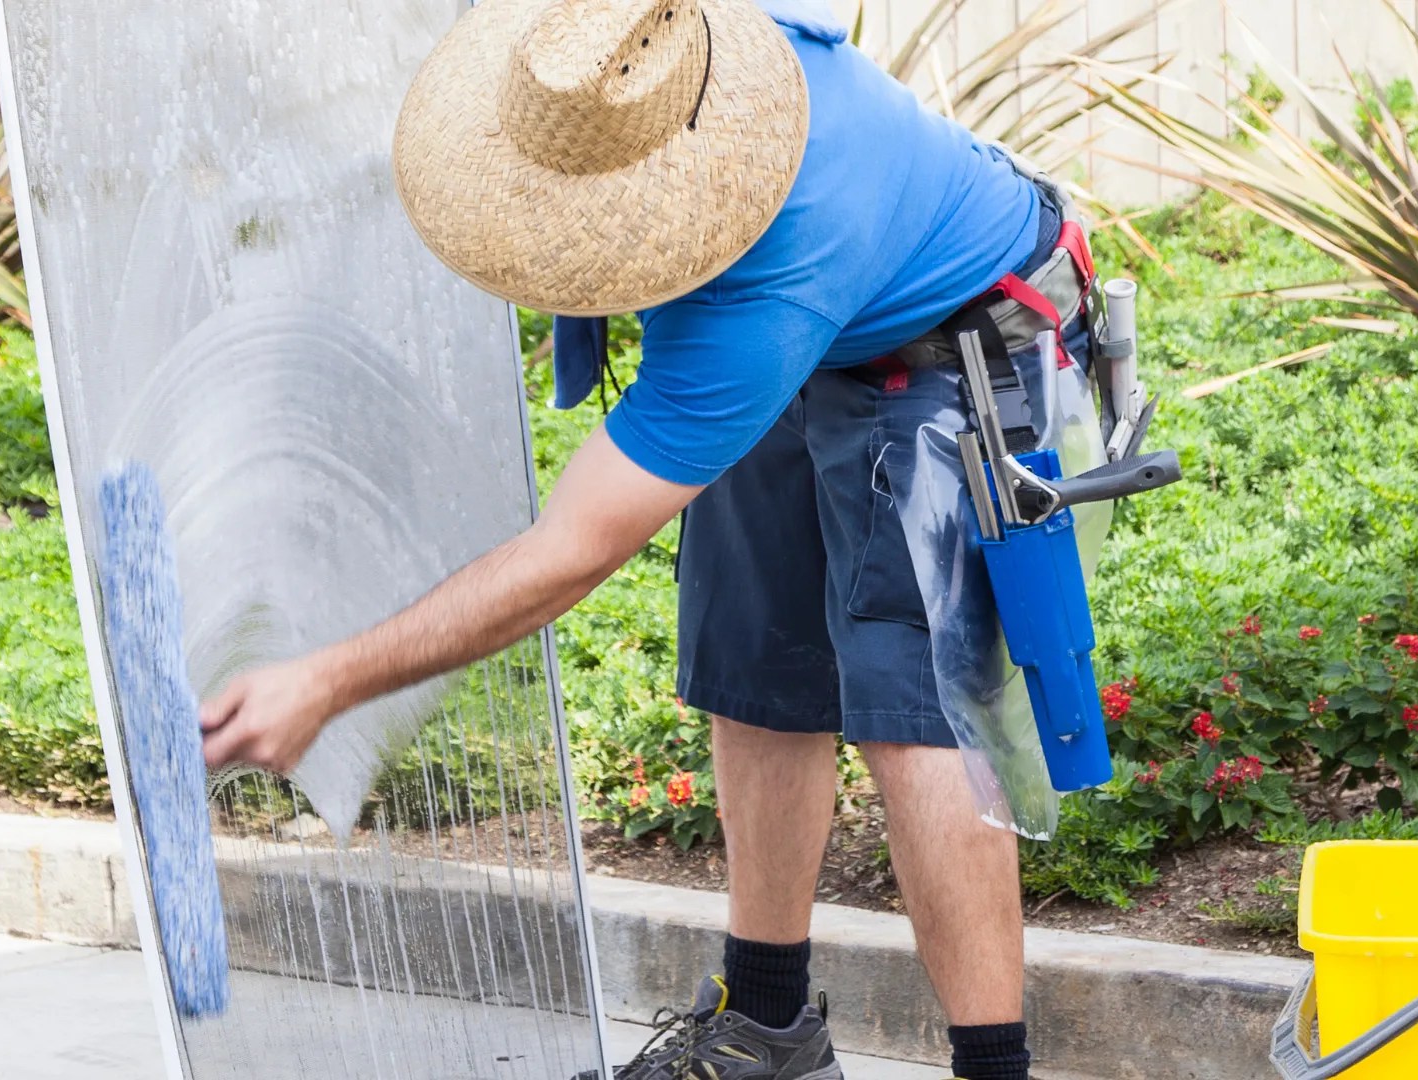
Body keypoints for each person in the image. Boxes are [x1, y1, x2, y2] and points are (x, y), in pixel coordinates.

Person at [198, 2, 1095, 1078]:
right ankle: (765, 1028)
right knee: (754, 660)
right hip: (827, 327)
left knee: (919, 710)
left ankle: (996, 1071)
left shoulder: (760, 283)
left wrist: (331, 680)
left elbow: (568, 554)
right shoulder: (652, 48)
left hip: (959, 345)